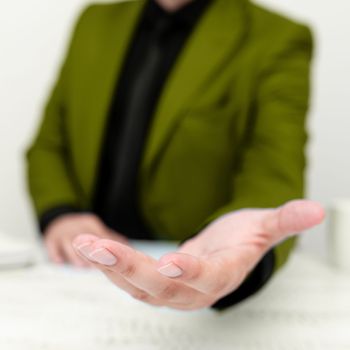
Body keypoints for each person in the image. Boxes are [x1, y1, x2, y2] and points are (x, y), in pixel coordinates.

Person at [26, 0, 324, 310]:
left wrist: (234, 253)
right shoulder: (95, 21)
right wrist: (60, 213)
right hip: (78, 274)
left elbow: (273, 169)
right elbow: (49, 144)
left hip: (187, 273)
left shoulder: (277, 37)